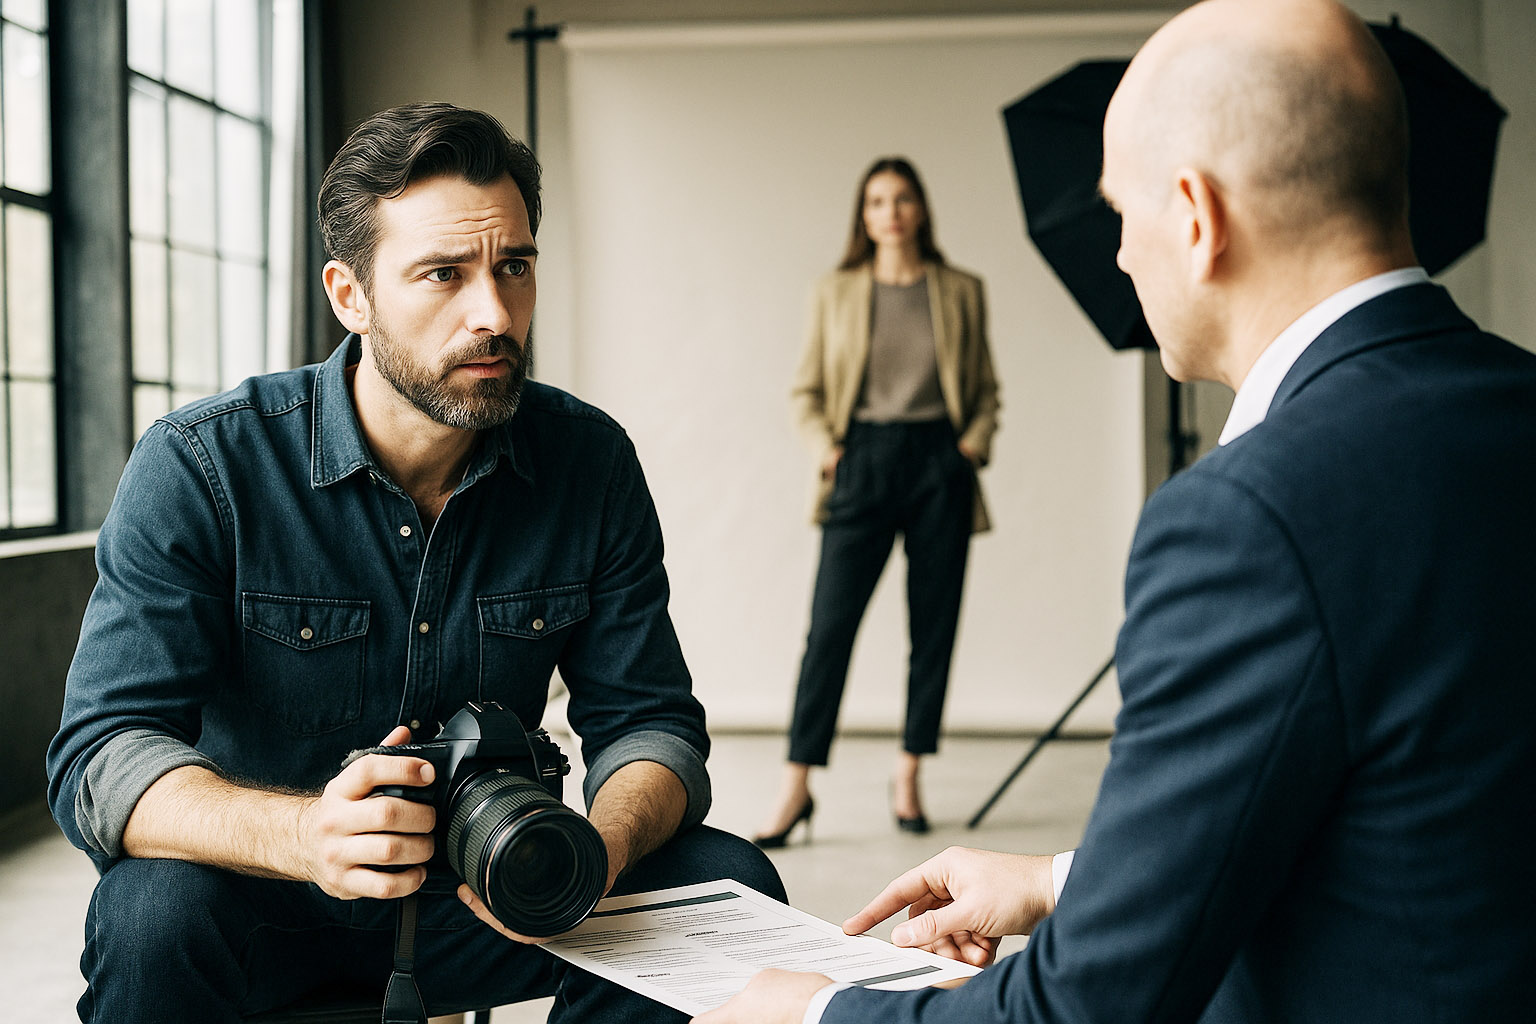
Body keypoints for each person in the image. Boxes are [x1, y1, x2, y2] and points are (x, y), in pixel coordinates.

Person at [702, 0, 1536, 1020]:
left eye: (1121, 213)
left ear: (1195, 216)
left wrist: (810, 1012)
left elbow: (1083, 1011)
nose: (1121, 257)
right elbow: (1414, 816)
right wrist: (1066, 878)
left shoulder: (1245, 519)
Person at [45, 101, 783, 1023]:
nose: (494, 313)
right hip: (267, 900)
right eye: (443, 273)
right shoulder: (204, 465)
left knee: (725, 884)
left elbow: (651, 725)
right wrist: (306, 834)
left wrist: (597, 849)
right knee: (150, 912)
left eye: (514, 268)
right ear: (349, 295)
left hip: (492, 902)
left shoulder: (588, 462)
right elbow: (101, 754)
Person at [755, 158, 1001, 846]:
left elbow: (985, 390)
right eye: (876, 202)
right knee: (828, 631)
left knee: (933, 629)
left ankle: (909, 772)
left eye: (901, 199)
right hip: (860, 460)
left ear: (921, 209)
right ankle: (797, 784)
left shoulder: (961, 290)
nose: (890, 213)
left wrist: (970, 448)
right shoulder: (835, 291)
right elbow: (805, 391)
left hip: (939, 464)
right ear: (863, 217)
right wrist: (828, 450)